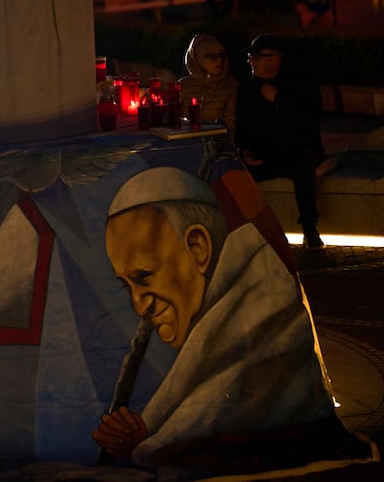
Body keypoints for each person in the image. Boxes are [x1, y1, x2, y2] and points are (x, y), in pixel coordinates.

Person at [93, 167, 339, 468]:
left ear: (198, 248)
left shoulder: (265, 309)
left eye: (144, 277)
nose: (138, 305)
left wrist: (145, 446)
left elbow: (213, 428)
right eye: (126, 285)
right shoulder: (218, 313)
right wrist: (145, 433)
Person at [235, 34, 325, 247]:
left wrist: (278, 100)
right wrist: (244, 151)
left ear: (275, 58)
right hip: (263, 156)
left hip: (296, 152)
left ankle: (309, 228)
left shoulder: (301, 83)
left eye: (257, 57)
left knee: (302, 166)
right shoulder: (248, 88)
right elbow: (244, 128)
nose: (251, 61)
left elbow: (306, 124)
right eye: (250, 57)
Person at [178, 33, 237, 134]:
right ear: (199, 58)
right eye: (212, 56)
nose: (218, 60)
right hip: (184, 140)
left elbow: (232, 120)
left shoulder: (231, 86)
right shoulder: (183, 86)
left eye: (220, 55)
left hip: (217, 142)